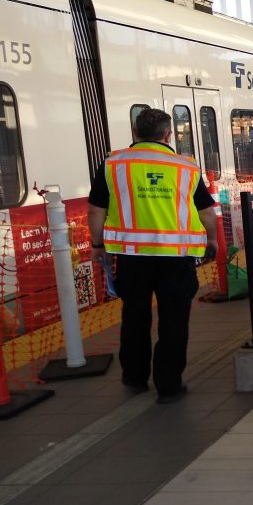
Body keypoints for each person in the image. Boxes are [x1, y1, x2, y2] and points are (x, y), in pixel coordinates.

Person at [88, 108, 218, 404]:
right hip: (176, 257)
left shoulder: (113, 163)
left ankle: (134, 378)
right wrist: (212, 240)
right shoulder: (185, 166)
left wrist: (98, 245)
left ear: (135, 133)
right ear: (167, 134)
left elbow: (96, 209)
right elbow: (207, 212)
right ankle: (169, 385)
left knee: (134, 315)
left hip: (132, 257)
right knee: (174, 318)